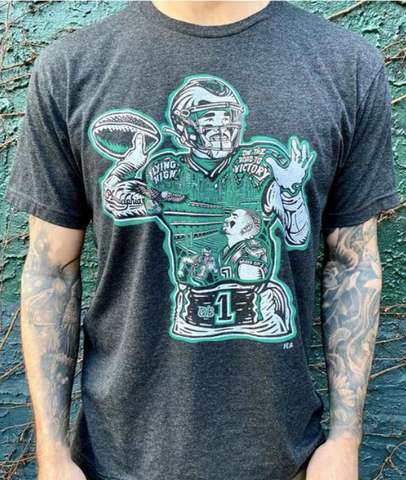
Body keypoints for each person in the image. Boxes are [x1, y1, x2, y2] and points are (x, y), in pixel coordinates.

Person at [3, 0, 401, 479]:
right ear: (184, 128)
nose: (220, 129)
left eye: (227, 119)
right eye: (207, 120)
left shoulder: (344, 68)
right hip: (117, 457)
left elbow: (348, 260)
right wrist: (51, 453)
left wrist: (345, 440)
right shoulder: (74, 71)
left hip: (285, 453)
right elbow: (53, 267)